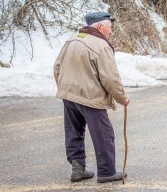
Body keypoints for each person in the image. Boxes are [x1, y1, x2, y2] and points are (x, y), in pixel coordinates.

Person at [53, 11, 130, 183]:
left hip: (69, 95)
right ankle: (107, 172)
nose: (111, 31)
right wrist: (122, 97)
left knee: (74, 132)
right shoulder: (101, 46)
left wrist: (65, 87)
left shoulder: (72, 40)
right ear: (100, 26)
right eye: (109, 27)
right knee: (104, 134)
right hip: (90, 97)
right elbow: (110, 78)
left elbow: (57, 67)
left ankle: (78, 169)